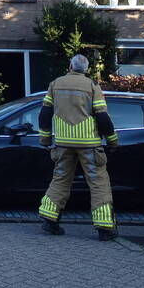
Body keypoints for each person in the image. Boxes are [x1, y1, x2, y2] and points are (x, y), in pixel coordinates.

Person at [37, 54, 120, 241]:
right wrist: (113, 141)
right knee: (98, 184)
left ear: (70, 66)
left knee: (60, 179)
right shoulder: (92, 86)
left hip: (63, 143)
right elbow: (103, 118)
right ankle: (105, 228)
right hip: (88, 144)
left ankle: (49, 220)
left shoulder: (55, 84)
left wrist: (45, 140)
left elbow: (44, 114)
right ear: (87, 69)